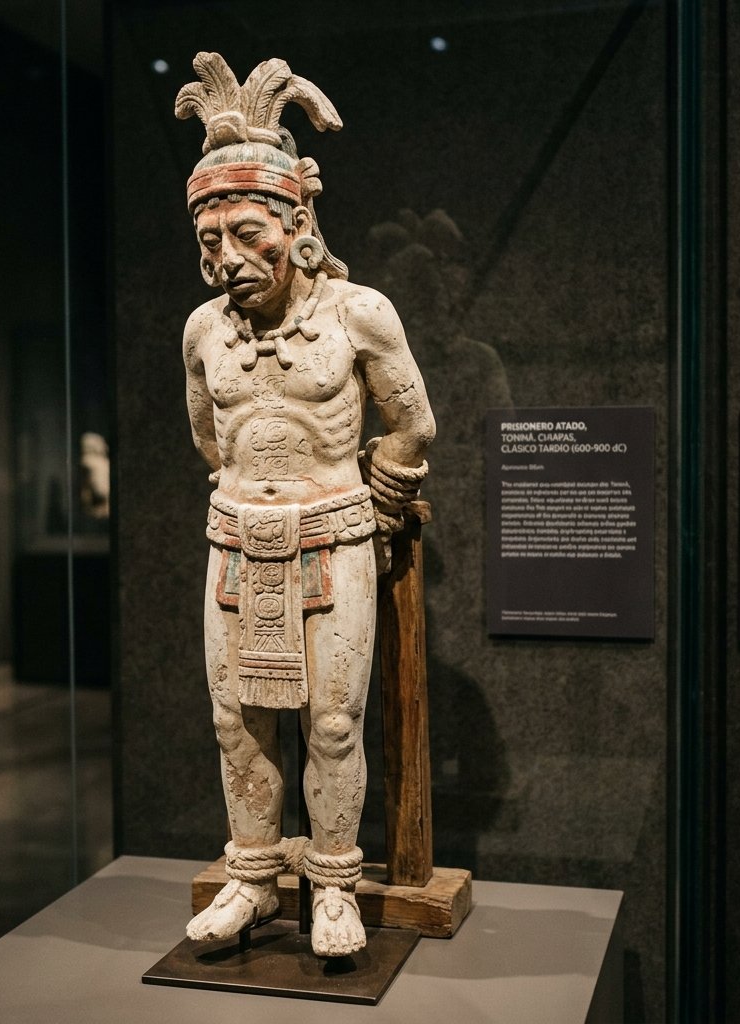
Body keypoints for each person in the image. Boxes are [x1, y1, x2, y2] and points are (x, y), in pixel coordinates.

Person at [177, 53, 434, 957]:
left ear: (298, 220)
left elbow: (412, 421)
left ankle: (332, 883)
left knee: (331, 721)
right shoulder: (204, 332)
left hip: (333, 538)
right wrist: (253, 495)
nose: (226, 259)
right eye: (209, 241)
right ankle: (251, 876)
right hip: (238, 542)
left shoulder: (360, 314)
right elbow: (210, 440)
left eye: (248, 234)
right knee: (235, 720)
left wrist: (385, 489)